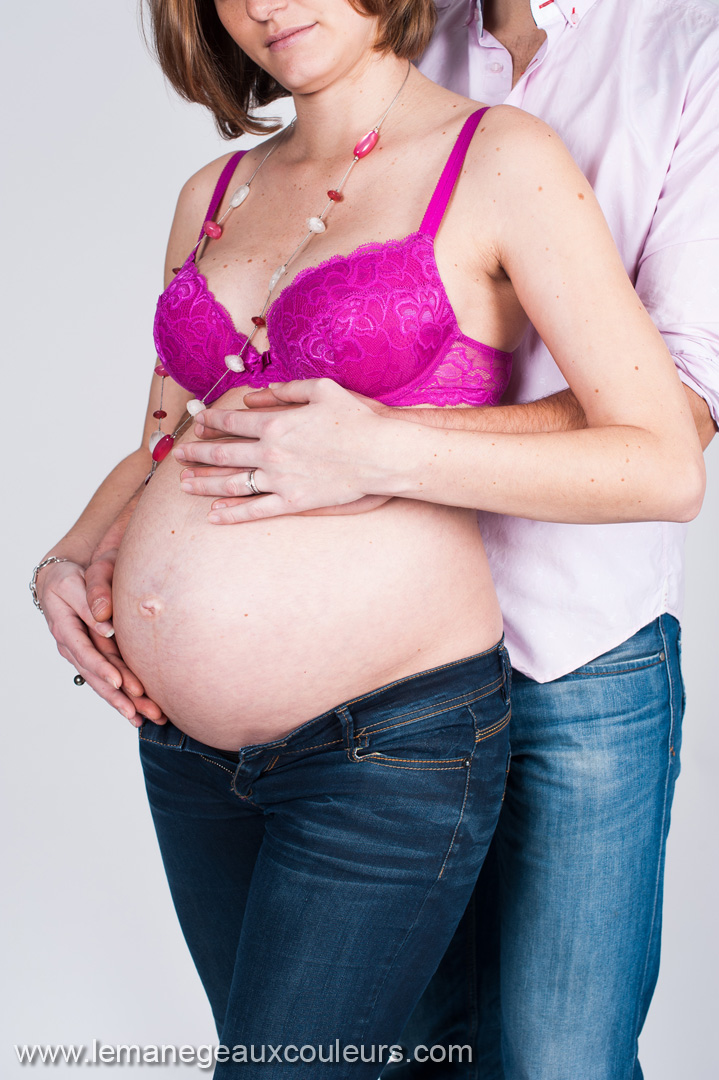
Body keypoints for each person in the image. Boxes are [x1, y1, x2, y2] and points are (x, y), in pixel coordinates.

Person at [30, 0, 706, 1076]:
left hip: (414, 724)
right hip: (189, 750)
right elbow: (165, 444)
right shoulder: (210, 194)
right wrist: (68, 559)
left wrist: (378, 448)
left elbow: (666, 458)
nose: (265, 5)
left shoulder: (501, 155)